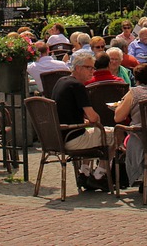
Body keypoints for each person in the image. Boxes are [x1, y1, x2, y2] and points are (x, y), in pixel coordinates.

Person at [50, 54, 111, 192]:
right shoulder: (77, 86)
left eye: (93, 68)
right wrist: (95, 119)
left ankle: (84, 173)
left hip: (58, 137)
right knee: (115, 134)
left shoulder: (61, 81)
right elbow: (93, 118)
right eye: (88, 67)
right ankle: (99, 175)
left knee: (92, 133)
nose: (92, 71)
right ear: (77, 68)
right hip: (72, 138)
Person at [114, 63, 147, 191]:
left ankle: (145, 178)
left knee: (121, 134)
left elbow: (118, 118)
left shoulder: (134, 93)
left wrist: (121, 104)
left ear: (137, 79)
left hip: (141, 139)